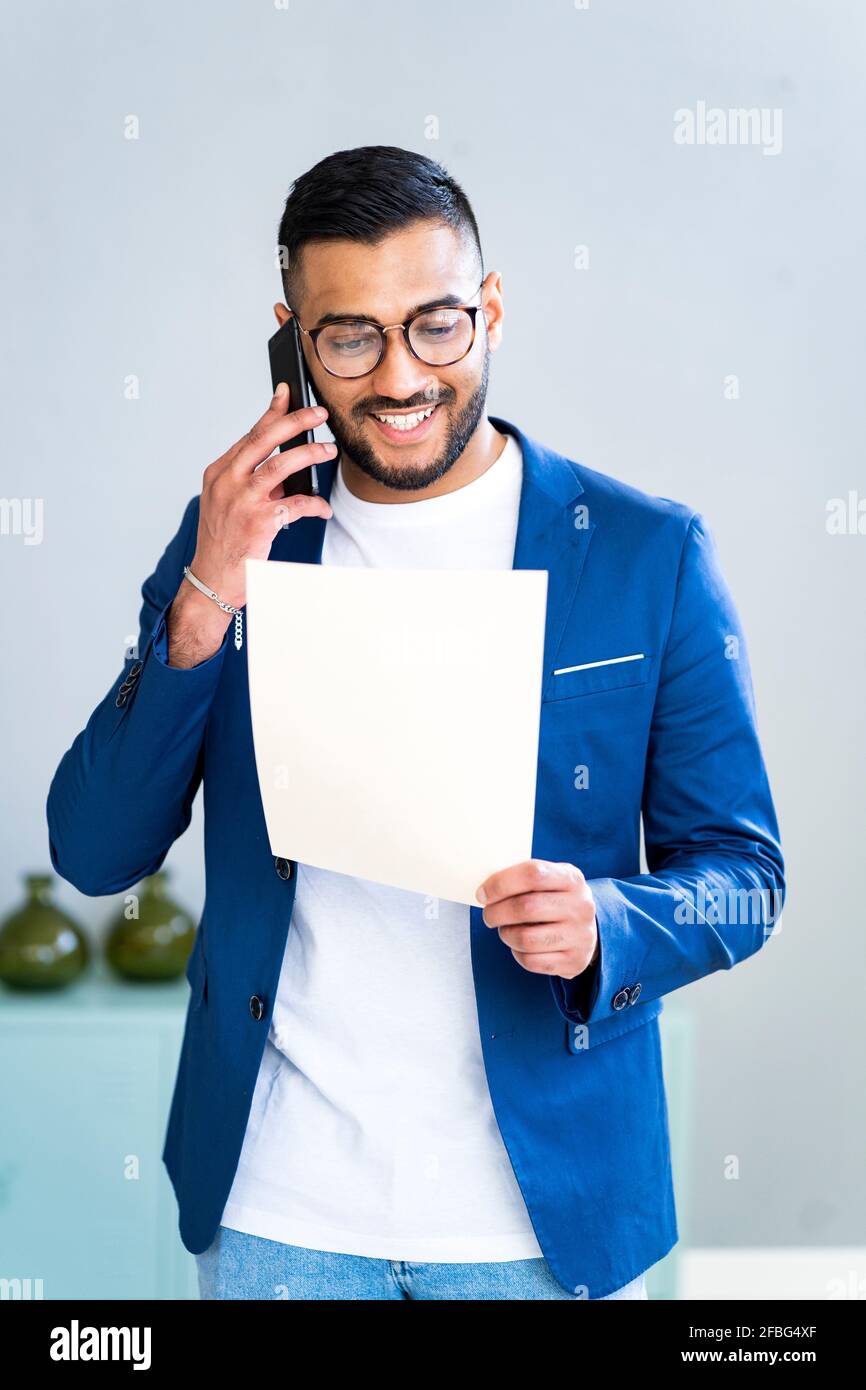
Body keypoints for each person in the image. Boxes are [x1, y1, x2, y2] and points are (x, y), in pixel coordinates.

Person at [46, 145, 784, 1301]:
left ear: (489, 311)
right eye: (350, 337)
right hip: (277, 1210)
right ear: (292, 337)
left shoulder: (650, 555)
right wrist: (202, 596)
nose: (399, 377)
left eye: (436, 325)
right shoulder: (238, 542)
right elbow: (92, 852)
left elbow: (745, 874)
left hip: (542, 1226)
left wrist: (605, 922)